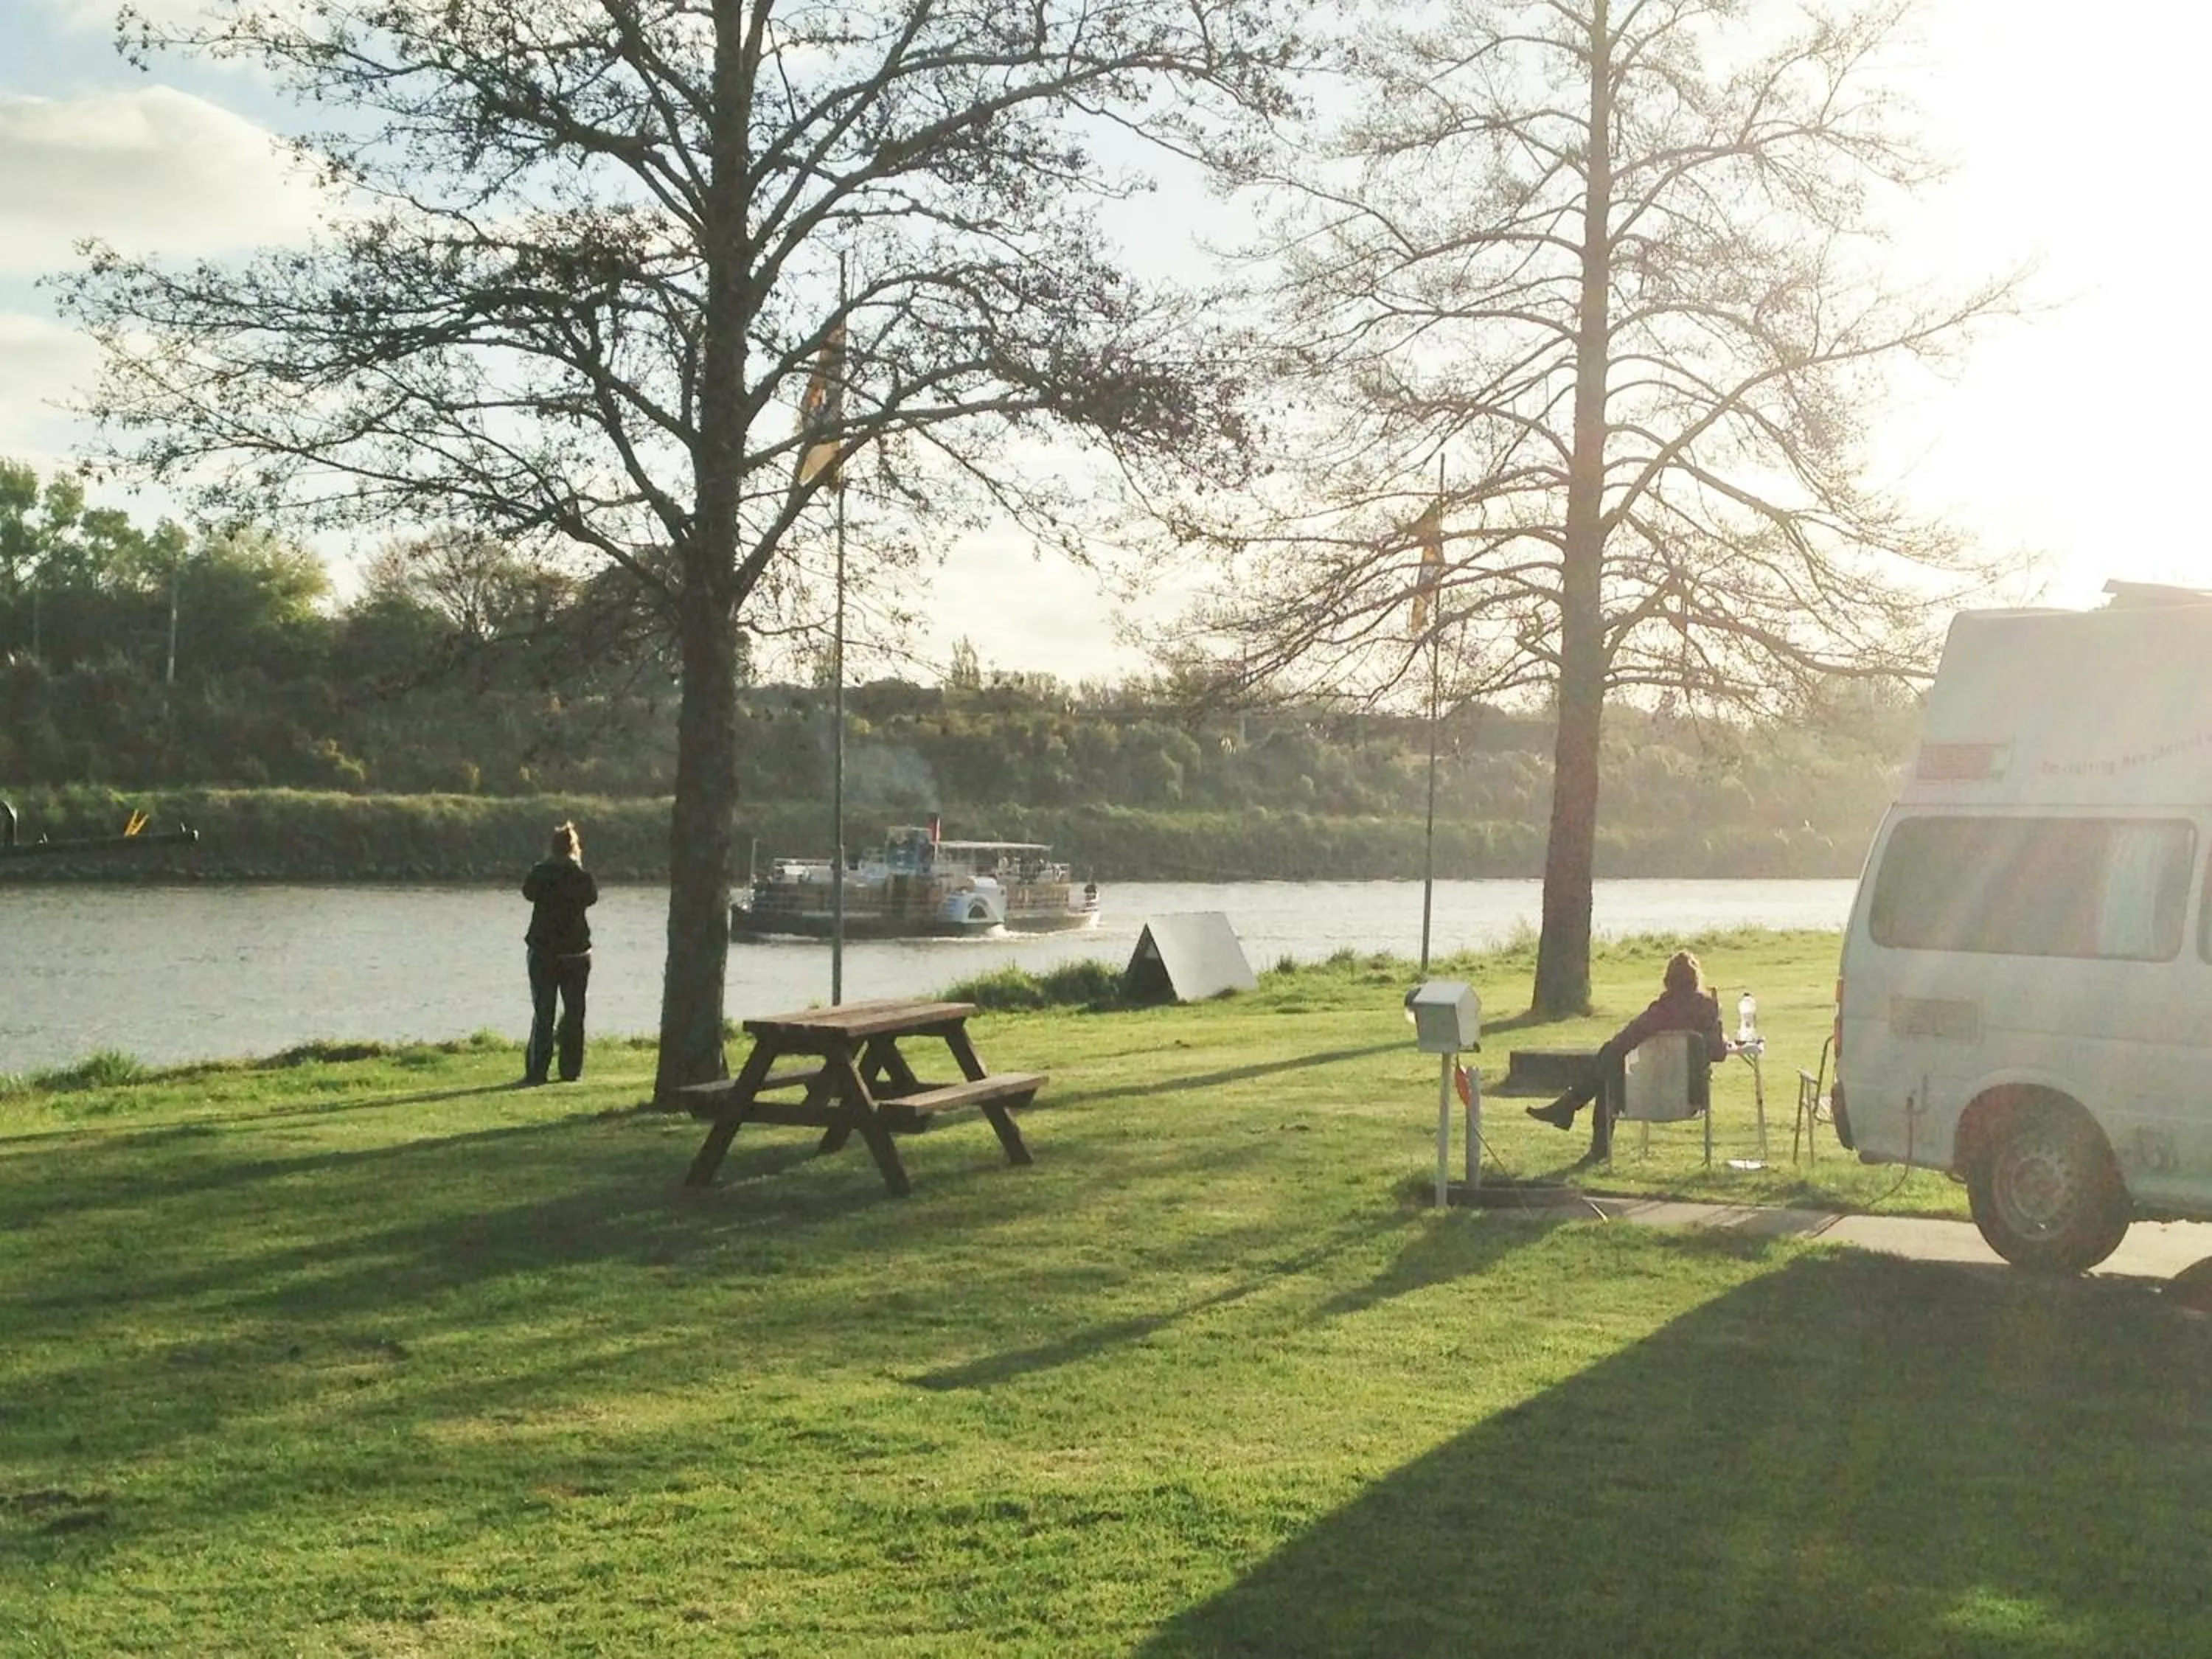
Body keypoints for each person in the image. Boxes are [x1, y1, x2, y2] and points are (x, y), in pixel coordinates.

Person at [1525, 949, 1728, 1164]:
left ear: (1668, 981)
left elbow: (1621, 1043)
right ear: (1696, 980)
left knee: (1608, 1070)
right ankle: (1568, 1106)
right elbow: (1719, 1053)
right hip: (1691, 1096)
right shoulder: (1708, 1009)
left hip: (1646, 1095)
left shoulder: (1659, 1012)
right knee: (1608, 1063)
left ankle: (1580, 1121)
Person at [521, 820, 598, 1085]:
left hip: (544, 951)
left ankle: (537, 1070)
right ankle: (571, 1070)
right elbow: (591, 898)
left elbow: (528, 893)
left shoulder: (540, 873)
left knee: (544, 1012)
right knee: (575, 1012)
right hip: (577, 952)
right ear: (575, 848)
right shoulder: (582, 877)